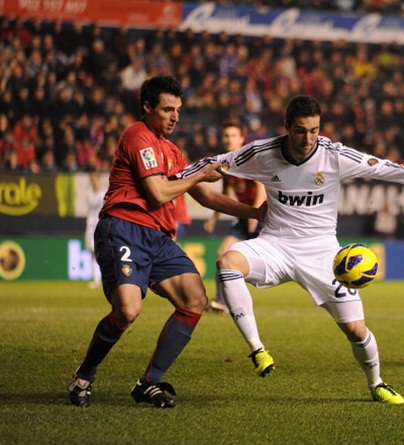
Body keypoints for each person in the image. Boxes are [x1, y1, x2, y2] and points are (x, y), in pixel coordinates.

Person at [179, 95, 404, 404]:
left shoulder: (334, 155)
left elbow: (384, 168)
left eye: (314, 130)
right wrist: (175, 177)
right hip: (275, 244)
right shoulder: (262, 153)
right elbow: (214, 162)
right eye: (301, 130)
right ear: (287, 127)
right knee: (227, 263)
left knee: (356, 331)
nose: (308, 139)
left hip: (323, 254)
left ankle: (377, 383)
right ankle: (257, 349)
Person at [67, 75, 265, 408]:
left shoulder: (172, 151)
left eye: (178, 109)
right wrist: (200, 174)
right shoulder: (137, 137)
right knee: (128, 311)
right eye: (166, 109)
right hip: (124, 228)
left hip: (158, 237)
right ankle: (84, 375)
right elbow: (157, 193)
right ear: (147, 107)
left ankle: (149, 383)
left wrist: (256, 212)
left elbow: (205, 197)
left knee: (194, 300)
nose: (174, 117)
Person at [203, 122, 266, 314]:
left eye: (233, 135)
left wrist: (254, 214)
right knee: (222, 252)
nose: (229, 139)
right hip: (244, 215)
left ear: (241, 139)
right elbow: (225, 192)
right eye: (226, 135)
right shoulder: (226, 164)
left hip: (261, 214)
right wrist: (214, 218)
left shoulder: (248, 160)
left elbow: (262, 187)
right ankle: (221, 302)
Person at [84, 170, 107, 289]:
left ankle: (105, 278)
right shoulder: (88, 193)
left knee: (103, 251)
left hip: (101, 224)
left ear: (99, 179)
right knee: (92, 252)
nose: (94, 182)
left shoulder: (104, 193)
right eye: (92, 180)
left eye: (95, 179)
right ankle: (96, 279)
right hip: (91, 225)